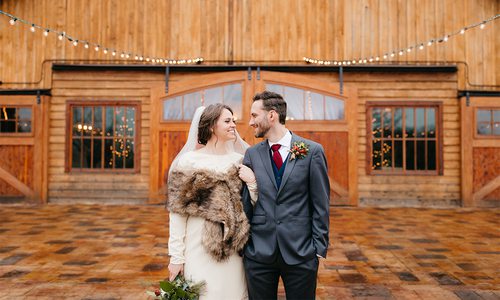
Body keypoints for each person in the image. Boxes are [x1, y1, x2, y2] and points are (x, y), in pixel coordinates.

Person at [241, 91, 330, 300]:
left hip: (301, 252)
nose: (250, 122)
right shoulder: (252, 155)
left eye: (254, 115)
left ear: (272, 116)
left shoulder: (312, 151)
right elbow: (246, 205)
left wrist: (318, 248)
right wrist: (245, 246)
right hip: (259, 254)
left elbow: (321, 203)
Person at [167, 104, 258, 300]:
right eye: (227, 121)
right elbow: (177, 214)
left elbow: (253, 205)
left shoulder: (241, 161)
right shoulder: (189, 161)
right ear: (210, 126)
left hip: (232, 247)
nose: (233, 125)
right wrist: (176, 257)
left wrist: (252, 183)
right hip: (197, 247)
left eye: (233, 120)